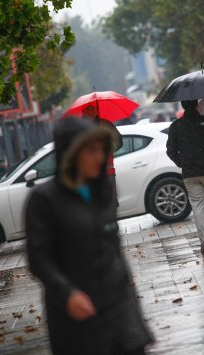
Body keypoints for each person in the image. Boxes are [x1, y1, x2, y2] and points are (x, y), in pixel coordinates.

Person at [26, 117, 152, 355]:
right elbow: (39, 258)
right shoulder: (45, 200)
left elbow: (113, 250)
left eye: (102, 150)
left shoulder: (103, 193)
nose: (99, 157)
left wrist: (131, 302)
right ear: (72, 153)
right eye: (91, 150)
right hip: (78, 312)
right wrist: (67, 294)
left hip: (119, 306)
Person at [166, 100, 204, 253]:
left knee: (197, 207)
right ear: (197, 105)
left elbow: (170, 150)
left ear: (182, 106)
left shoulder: (176, 126)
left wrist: (182, 163)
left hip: (190, 174)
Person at [83, 105, 123, 207]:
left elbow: (118, 140)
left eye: (93, 109)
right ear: (83, 112)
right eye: (88, 109)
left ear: (97, 111)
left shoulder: (105, 124)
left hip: (107, 171)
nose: (91, 112)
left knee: (111, 202)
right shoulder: (80, 128)